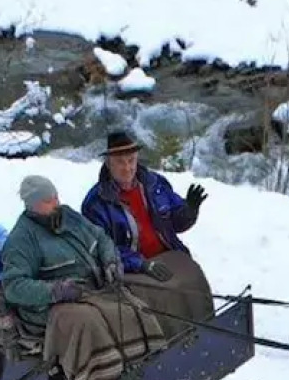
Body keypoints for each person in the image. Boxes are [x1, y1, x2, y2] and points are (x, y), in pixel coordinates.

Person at [1, 174, 166, 380]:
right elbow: (13, 287)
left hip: (91, 291)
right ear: (32, 205)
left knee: (133, 309)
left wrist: (111, 260)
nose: (55, 202)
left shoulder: (69, 216)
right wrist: (55, 290)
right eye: (48, 200)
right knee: (90, 325)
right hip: (52, 307)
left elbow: (101, 238)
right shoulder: (21, 239)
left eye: (55, 196)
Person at [80, 130, 214, 337]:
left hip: (168, 253)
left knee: (193, 279)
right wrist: (141, 264)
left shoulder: (155, 184)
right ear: (108, 163)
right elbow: (102, 250)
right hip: (132, 267)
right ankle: (170, 342)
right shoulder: (95, 203)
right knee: (161, 295)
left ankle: (206, 330)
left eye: (131, 160)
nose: (127, 168)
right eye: (120, 162)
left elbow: (176, 223)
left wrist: (189, 210)